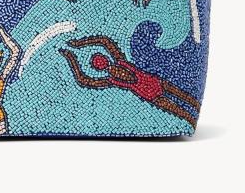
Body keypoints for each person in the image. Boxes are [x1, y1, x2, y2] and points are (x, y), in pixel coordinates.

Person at [60, 35, 200, 128]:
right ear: (100, 68)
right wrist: (71, 57)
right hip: (151, 94)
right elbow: (84, 80)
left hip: (156, 83)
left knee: (182, 96)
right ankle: (189, 119)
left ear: (106, 58)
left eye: (103, 59)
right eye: (101, 64)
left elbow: (104, 41)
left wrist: (79, 44)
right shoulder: (111, 79)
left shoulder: (120, 62)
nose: (107, 65)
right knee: (177, 109)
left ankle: (193, 112)